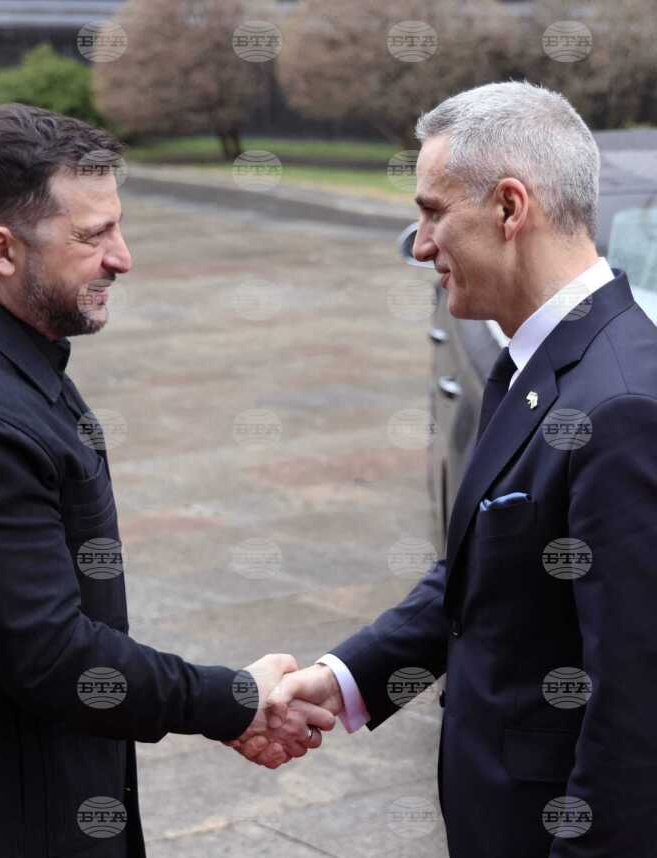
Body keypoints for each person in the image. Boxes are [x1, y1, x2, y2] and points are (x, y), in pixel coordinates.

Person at [0, 103, 334, 858]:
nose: (123, 258)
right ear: (1, 249)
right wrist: (229, 699)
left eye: (118, 227)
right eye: (93, 236)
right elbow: (51, 655)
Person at [233, 80, 657, 856]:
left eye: (433, 213)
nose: (421, 245)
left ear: (509, 208)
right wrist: (347, 677)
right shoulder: (535, 362)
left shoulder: (621, 407)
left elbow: (636, 709)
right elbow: (485, 573)